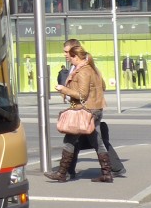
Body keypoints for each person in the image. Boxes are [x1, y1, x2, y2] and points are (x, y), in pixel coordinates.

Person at [51, 39, 125, 179]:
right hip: (92, 109)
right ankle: (107, 172)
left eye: (68, 53)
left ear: (75, 54)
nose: (66, 56)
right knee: (96, 141)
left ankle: (62, 173)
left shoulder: (84, 70)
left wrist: (64, 89)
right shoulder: (88, 68)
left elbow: (82, 94)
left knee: (70, 139)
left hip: (86, 110)